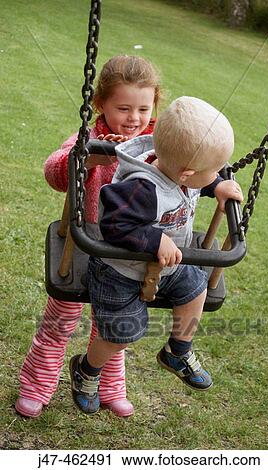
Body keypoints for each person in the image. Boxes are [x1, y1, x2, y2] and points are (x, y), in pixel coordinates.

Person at [69, 96, 244, 414]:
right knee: (122, 333)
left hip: (169, 263)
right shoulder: (142, 189)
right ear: (187, 173)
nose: (218, 173)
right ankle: (86, 370)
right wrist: (153, 239)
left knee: (196, 289)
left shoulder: (178, 168)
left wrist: (216, 185)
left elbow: (196, 182)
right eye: (215, 170)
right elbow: (113, 224)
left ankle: (178, 350)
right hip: (120, 270)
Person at [15, 55, 161, 418]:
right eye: (123, 108)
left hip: (125, 253)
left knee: (111, 327)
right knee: (59, 322)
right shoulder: (91, 137)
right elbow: (53, 171)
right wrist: (89, 159)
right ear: (101, 105)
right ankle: (36, 387)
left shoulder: (155, 145)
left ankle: (110, 388)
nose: (134, 118)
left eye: (143, 108)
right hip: (83, 246)